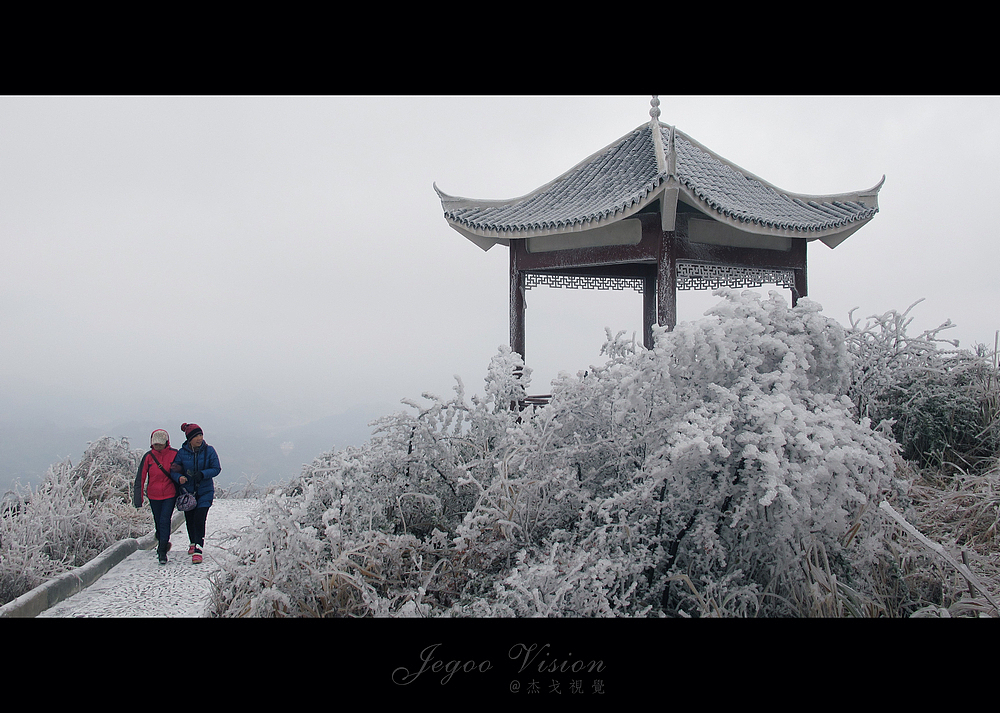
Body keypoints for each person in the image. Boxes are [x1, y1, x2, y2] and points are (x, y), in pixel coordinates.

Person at [170, 422, 221, 564]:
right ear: (189, 438)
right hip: (188, 492)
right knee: (190, 518)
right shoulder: (182, 453)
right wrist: (179, 478)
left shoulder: (209, 451)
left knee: (200, 518)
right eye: (196, 436)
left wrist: (203, 474)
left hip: (205, 491)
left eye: (201, 435)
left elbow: (216, 468)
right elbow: (173, 470)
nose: (199, 438)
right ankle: (192, 542)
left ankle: (198, 548)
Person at [133, 429, 179, 564]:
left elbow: (181, 472)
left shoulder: (174, 455)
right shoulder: (148, 457)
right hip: (153, 495)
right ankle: (162, 539)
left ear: (166, 442)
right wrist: (138, 498)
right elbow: (140, 478)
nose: (157, 446)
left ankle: (162, 551)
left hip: (170, 494)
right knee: (158, 521)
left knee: (165, 520)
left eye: (160, 444)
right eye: (155, 444)